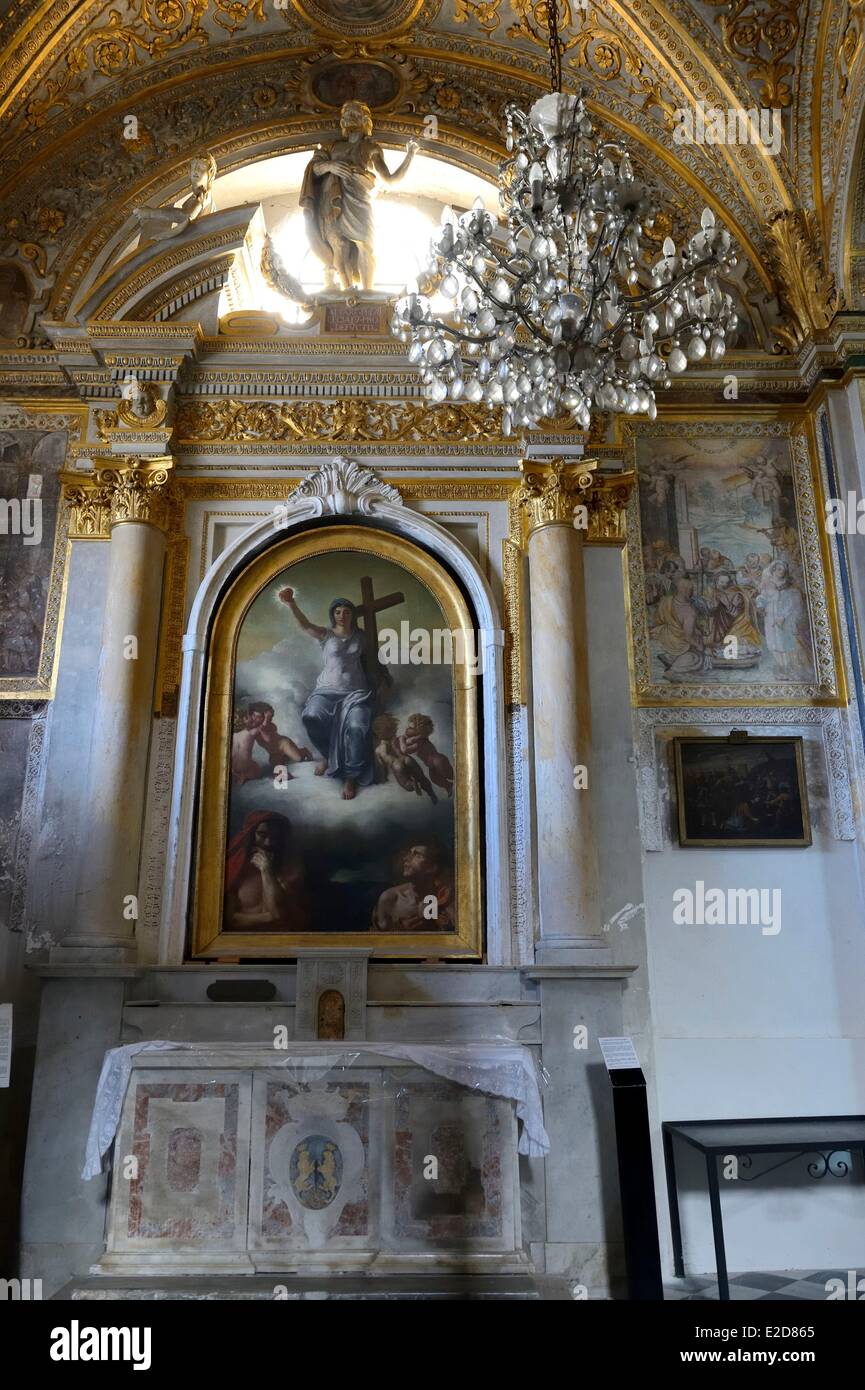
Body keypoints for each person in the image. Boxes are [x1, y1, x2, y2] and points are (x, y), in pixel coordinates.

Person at [300, 100, 418, 291]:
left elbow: (390, 180)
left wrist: (410, 154)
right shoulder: (331, 147)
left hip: (360, 198)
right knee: (339, 244)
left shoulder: (372, 148)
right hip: (334, 197)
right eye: (345, 114)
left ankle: (367, 291)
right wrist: (331, 166)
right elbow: (315, 168)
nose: (348, 118)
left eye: (353, 114)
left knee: (365, 243)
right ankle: (347, 290)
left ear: (365, 120)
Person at [279, 586, 381, 800]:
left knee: (356, 728)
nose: (342, 616)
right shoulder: (326, 635)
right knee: (311, 717)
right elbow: (304, 625)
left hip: (356, 693)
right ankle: (328, 756)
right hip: (326, 690)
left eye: (346, 612)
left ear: (353, 614)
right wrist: (291, 603)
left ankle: (350, 777)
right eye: (337, 612)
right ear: (332, 614)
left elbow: (373, 661)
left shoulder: (362, 637)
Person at [224, 811, 308, 931]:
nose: (268, 843)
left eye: (275, 837)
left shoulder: (292, 869)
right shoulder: (235, 868)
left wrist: (266, 870)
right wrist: (268, 917)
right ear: (250, 835)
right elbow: (229, 920)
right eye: (262, 834)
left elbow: (278, 913)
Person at [372, 840, 454, 932]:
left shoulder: (447, 898)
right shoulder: (390, 899)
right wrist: (400, 931)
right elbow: (379, 941)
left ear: (432, 867)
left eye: (417, 855)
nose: (406, 858)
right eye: (409, 853)